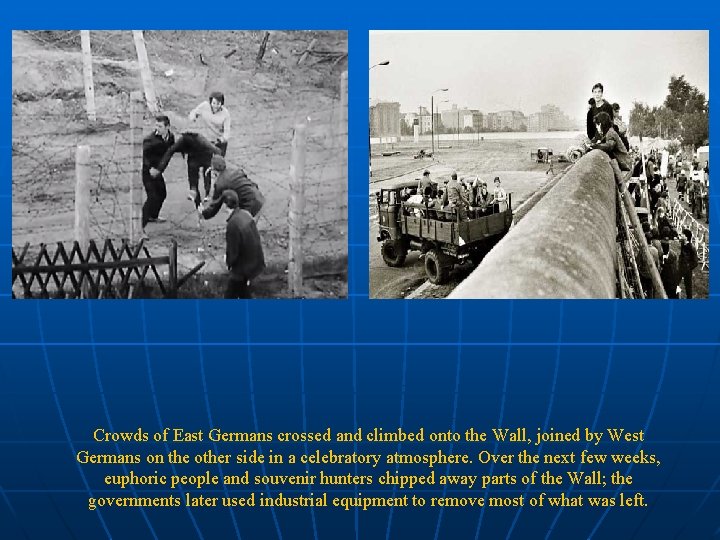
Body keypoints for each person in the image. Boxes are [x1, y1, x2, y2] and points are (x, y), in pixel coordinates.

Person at [156, 131, 222, 206]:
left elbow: (215, 149)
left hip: (205, 155)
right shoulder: (182, 141)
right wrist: (160, 169)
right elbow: (170, 151)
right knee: (194, 175)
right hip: (194, 156)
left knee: (206, 173)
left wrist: (219, 165)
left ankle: (207, 191)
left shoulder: (200, 139)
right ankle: (195, 194)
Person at [223, 190, 265, 299]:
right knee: (242, 292)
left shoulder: (233, 224)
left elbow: (233, 251)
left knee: (230, 293)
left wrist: (228, 262)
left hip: (242, 268)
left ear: (225, 206)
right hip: (255, 261)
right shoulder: (245, 214)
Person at [200, 155, 265, 220]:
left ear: (214, 171)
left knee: (239, 227)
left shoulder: (219, 184)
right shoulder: (235, 170)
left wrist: (203, 213)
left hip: (250, 207)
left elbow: (214, 206)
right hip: (259, 198)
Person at [142, 115, 175, 238]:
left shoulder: (170, 138)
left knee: (162, 193)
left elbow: (169, 153)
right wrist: (150, 168)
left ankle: (153, 216)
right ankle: (140, 227)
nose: (157, 128)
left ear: (167, 127)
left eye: (160, 126)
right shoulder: (150, 140)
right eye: (156, 125)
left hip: (157, 170)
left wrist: (159, 169)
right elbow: (142, 155)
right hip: (147, 171)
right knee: (152, 197)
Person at [188, 91, 231, 156]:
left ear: (222, 103)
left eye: (218, 103)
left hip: (219, 142)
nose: (215, 106)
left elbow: (227, 132)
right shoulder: (204, 106)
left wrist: (221, 139)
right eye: (214, 103)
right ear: (210, 102)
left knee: (218, 162)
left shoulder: (226, 114)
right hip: (206, 140)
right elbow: (194, 112)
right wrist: (193, 117)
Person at [678, 228, 699, 299]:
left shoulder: (692, 248)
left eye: (683, 234)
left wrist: (688, 267)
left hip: (687, 271)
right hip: (680, 268)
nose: (681, 235)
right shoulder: (682, 243)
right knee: (675, 284)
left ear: (686, 237)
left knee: (688, 288)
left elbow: (695, 262)